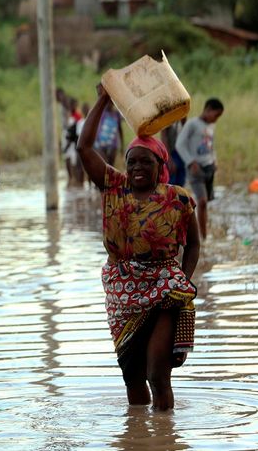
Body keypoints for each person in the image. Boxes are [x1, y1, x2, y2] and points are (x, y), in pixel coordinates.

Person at [78, 85, 201, 411]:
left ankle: (165, 436)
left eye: (145, 162)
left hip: (164, 287)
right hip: (122, 292)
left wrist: (184, 282)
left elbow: (193, 244)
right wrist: (103, 99)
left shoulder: (178, 198)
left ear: (160, 165)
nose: (136, 168)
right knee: (132, 376)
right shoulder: (114, 188)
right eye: (131, 162)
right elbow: (84, 146)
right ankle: (141, 437)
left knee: (157, 374)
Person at [175, 98, 224, 240]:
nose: (216, 119)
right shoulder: (192, 124)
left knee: (205, 202)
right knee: (201, 201)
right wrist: (190, 161)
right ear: (208, 110)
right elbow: (180, 144)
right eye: (216, 115)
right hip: (196, 169)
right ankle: (200, 237)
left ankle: (204, 234)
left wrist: (214, 160)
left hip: (209, 167)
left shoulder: (211, 127)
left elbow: (211, 145)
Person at [93, 100, 124, 167]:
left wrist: (122, 146)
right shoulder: (100, 113)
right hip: (100, 145)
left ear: (113, 103)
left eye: (110, 103)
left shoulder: (116, 114)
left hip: (113, 145)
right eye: (106, 103)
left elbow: (120, 130)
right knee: (104, 165)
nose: (108, 105)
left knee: (111, 166)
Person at [160, 118, 187, 187]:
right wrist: (169, 159)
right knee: (171, 182)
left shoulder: (182, 116)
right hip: (171, 153)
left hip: (181, 154)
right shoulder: (167, 118)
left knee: (180, 183)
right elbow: (164, 137)